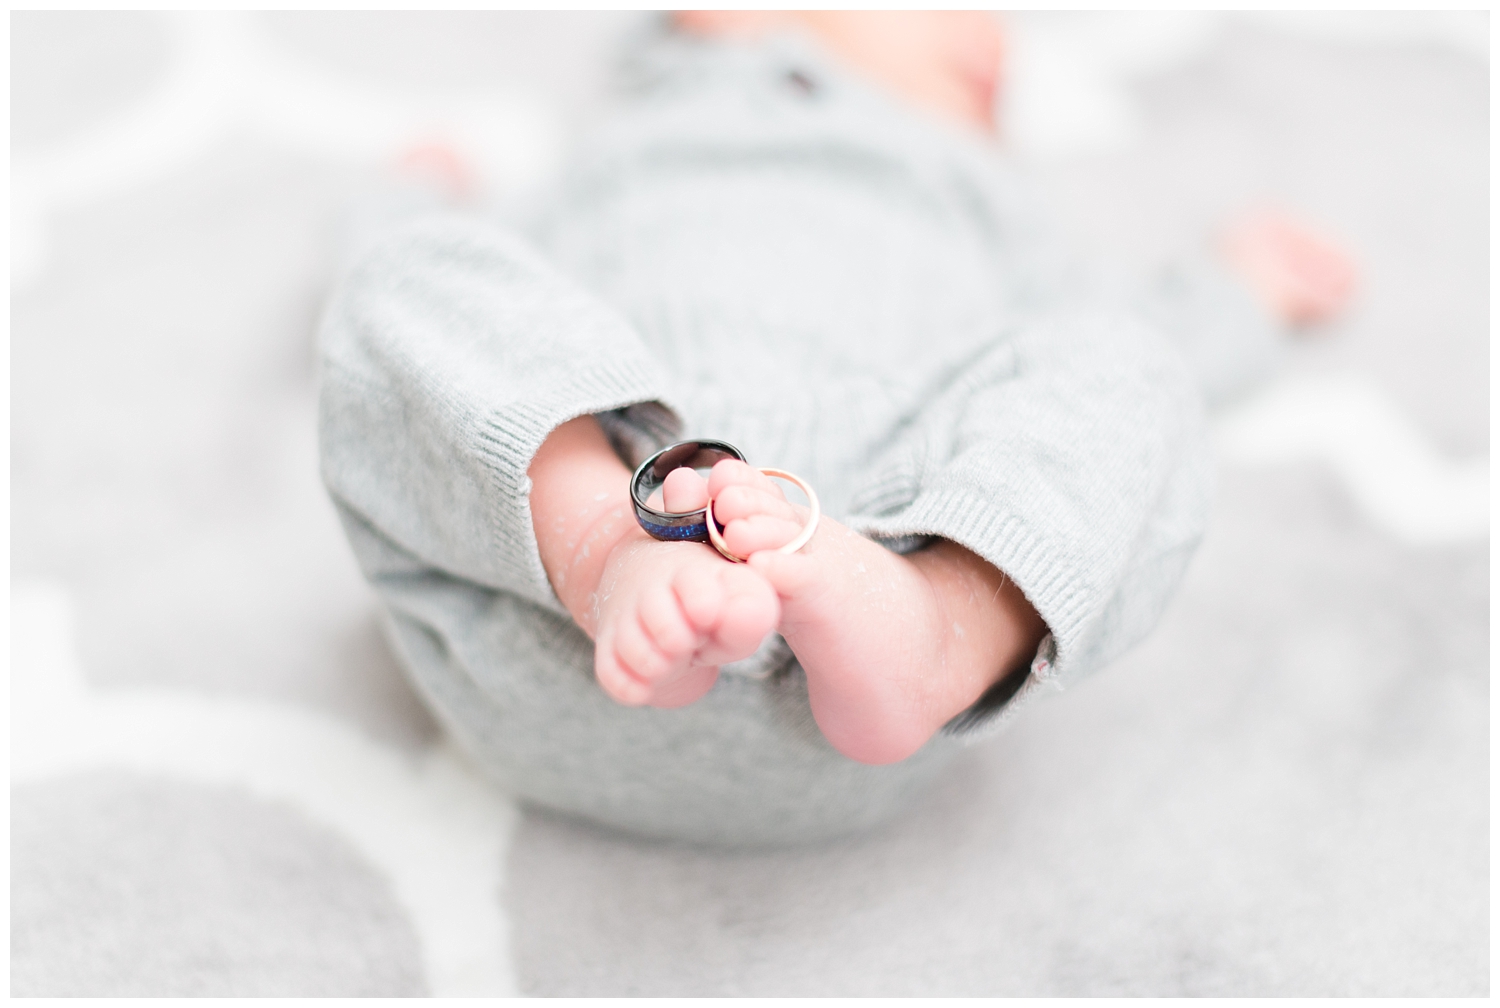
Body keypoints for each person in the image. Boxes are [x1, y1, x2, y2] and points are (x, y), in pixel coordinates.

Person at [318, 12, 1353, 845]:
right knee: (419, 273)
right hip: (553, 590)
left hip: (869, 581)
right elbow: (422, 336)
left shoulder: (995, 202)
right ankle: (610, 548)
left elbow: (1122, 370)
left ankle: (941, 620)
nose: (994, 45)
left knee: (1120, 361)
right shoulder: (628, 144)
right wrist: (409, 197)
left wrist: (1240, 294)